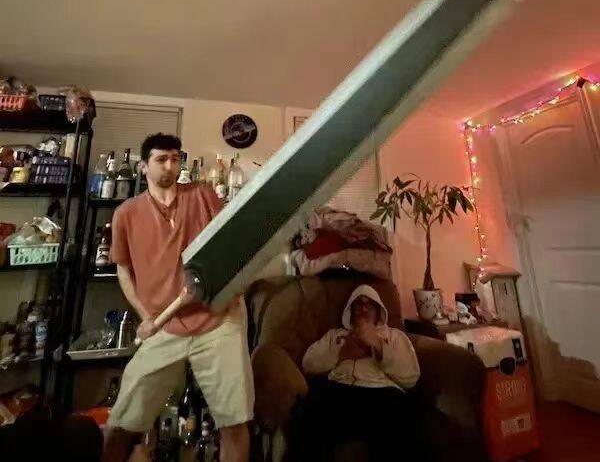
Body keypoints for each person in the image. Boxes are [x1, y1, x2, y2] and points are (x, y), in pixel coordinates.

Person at [102, 133, 254, 462]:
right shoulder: (126, 213)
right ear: (143, 167)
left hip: (217, 320)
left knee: (234, 421)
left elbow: (229, 242)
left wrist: (232, 284)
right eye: (161, 159)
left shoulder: (201, 194)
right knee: (122, 422)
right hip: (164, 326)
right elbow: (124, 271)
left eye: (174, 159)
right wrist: (145, 316)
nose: (169, 166)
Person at [291, 284, 424, 461]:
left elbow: (411, 377)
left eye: (370, 305)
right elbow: (308, 363)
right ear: (350, 310)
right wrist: (341, 354)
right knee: (306, 411)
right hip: (338, 391)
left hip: (381, 394)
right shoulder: (335, 335)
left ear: (379, 311)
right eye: (358, 304)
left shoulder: (394, 336)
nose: (363, 308)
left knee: (407, 419)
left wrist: (378, 346)